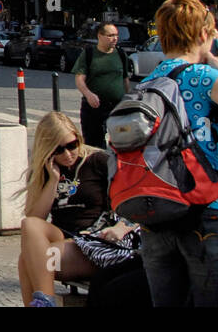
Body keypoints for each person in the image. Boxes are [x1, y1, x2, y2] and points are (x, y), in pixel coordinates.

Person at [135, 0, 218, 307]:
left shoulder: (148, 82)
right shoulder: (203, 77)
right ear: (203, 35)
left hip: (156, 219)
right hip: (208, 216)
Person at [17, 112, 142, 307]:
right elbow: (35, 218)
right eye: (59, 150)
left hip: (92, 243)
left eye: (72, 145)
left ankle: (44, 303)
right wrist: (53, 181)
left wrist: (121, 227)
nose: (67, 154)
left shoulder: (97, 161)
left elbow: (135, 199)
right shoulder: (45, 170)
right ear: (47, 149)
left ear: (78, 138)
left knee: (26, 261)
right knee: (30, 224)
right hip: (62, 239)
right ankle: (45, 302)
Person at [71, 22, 130, 149]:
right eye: (110, 35)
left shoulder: (120, 54)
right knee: (94, 146)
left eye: (116, 35)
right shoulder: (89, 54)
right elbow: (79, 79)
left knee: (122, 143)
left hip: (116, 107)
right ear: (100, 36)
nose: (114, 38)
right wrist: (88, 94)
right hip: (94, 108)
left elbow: (125, 79)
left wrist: (128, 100)